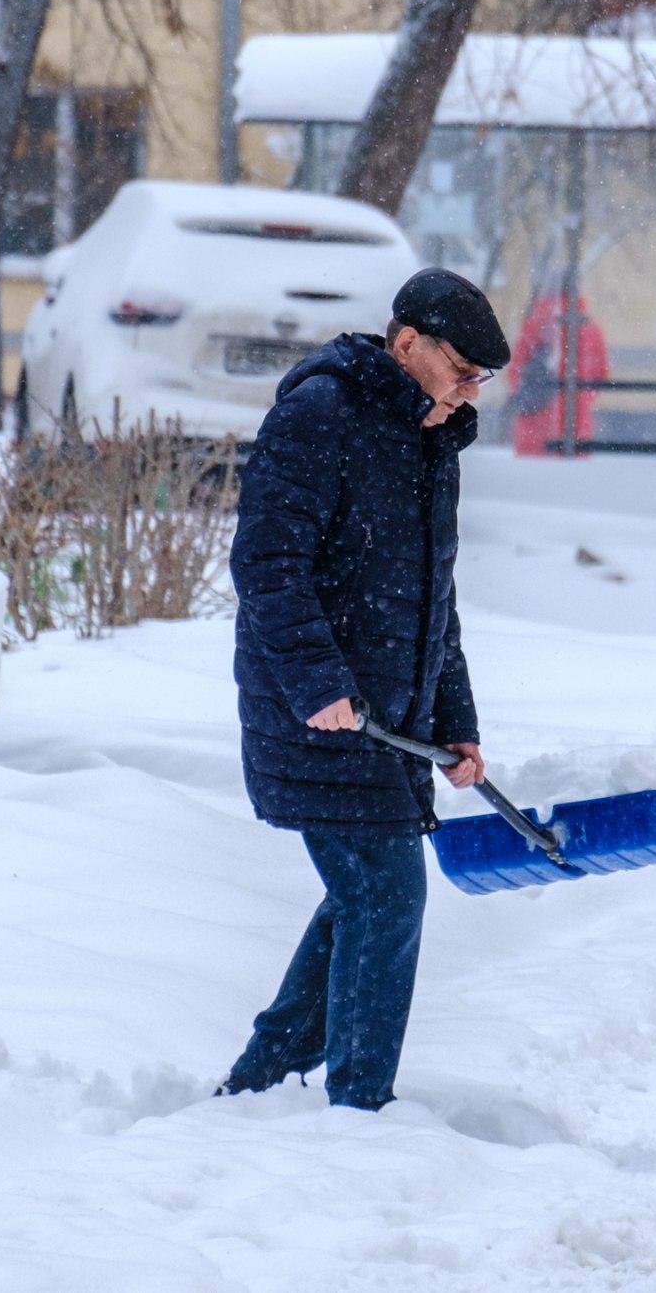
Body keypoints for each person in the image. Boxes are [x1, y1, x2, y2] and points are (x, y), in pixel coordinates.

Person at [218, 267, 509, 1109]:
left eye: (480, 379)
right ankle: (358, 1111)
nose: (469, 390)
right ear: (406, 343)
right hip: (319, 715)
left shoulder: (430, 436)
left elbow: (432, 599)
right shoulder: (321, 415)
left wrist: (455, 720)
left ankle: (260, 1083)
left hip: (392, 722)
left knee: (363, 894)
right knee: (385, 895)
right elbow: (267, 564)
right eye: (461, 370)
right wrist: (319, 680)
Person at [507, 287, 607, 457]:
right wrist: (579, 398)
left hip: (534, 423)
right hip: (576, 422)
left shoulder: (535, 323)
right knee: (573, 479)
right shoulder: (589, 328)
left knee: (533, 478)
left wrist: (534, 393)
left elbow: (515, 370)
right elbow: (600, 375)